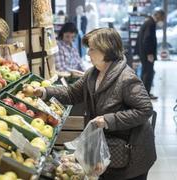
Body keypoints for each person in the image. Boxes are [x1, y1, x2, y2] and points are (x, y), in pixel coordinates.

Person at [35, 28, 156, 180]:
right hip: (108, 150)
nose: (88, 53)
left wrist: (108, 120)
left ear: (106, 50)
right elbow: (71, 94)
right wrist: (43, 92)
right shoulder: (93, 74)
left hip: (132, 153)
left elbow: (145, 110)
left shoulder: (126, 78)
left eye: (92, 49)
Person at [136, 9, 165, 100]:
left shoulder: (149, 22)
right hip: (147, 54)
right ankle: (145, 94)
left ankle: (145, 94)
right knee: (148, 74)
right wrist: (149, 53)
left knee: (146, 73)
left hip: (144, 53)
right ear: (159, 16)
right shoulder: (150, 24)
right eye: (162, 18)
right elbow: (147, 39)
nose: (163, 21)